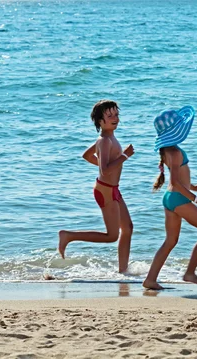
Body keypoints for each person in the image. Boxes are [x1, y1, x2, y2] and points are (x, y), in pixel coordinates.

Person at [58, 100, 135, 274]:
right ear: (100, 121)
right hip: (105, 190)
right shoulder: (105, 141)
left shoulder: (108, 137)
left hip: (113, 189)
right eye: (110, 116)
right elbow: (105, 170)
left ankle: (123, 271)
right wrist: (125, 156)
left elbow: (87, 155)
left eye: (116, 114)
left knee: (128, 228)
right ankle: (68, 236)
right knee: (112, 236)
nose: (115, 118)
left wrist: (111, 160)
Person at [142, 106, 197, 290]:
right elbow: (174, 182)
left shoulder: (169, 151)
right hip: (178, 199)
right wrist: (194, 197)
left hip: (170, 198)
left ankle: (150, 279)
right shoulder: (174, 152)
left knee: (170, 241)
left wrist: (193, 186)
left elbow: (179, 180)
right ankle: (190, 273)